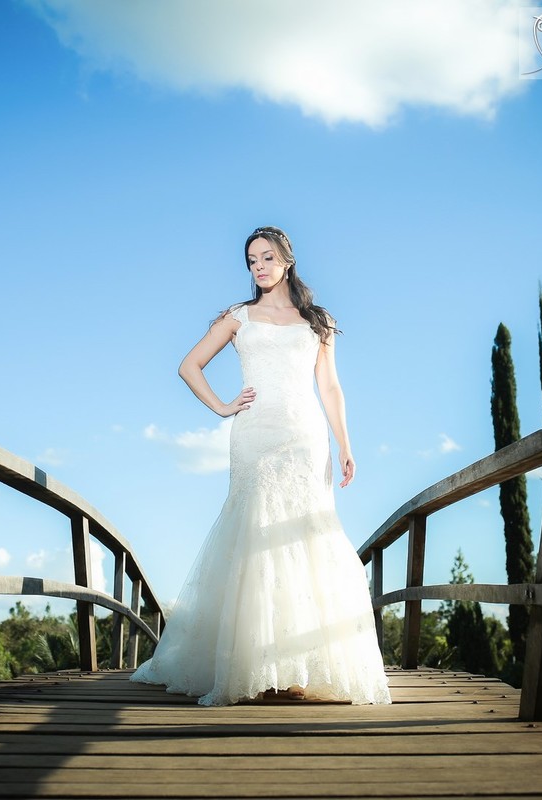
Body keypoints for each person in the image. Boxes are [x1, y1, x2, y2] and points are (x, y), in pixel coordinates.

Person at [131, 226, 391, 706]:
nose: (259, 266)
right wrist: (223, 407)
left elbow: (330, 388)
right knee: (252, 534)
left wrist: (345, 444)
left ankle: (300, 663)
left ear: (287, 260)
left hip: (304, 437)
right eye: (252, 260)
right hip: (254, 435)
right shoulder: (238, 317)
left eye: (267, 257)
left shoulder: (318, 321)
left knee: (305, 533)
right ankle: (252, 665)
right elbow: (189, 366)